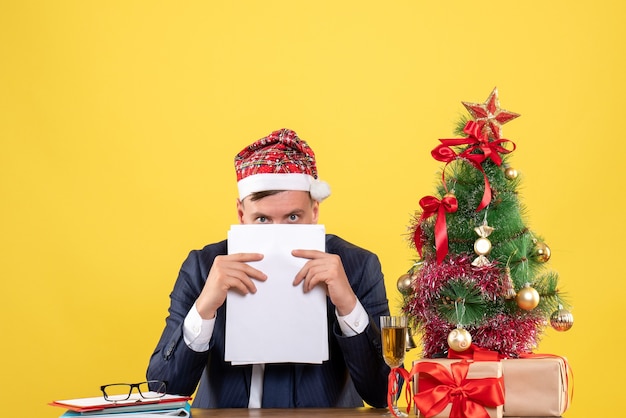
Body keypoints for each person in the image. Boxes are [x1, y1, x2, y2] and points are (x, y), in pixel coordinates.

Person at [146, 128, 391, 408]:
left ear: (314, 211)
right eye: (262, 219)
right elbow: (161, 392)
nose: (278, 233)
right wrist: (204, 308)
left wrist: (348, 305)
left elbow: (383, 394)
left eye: (293, 217)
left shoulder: (357, 266)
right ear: (241, 214)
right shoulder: (202, 267)